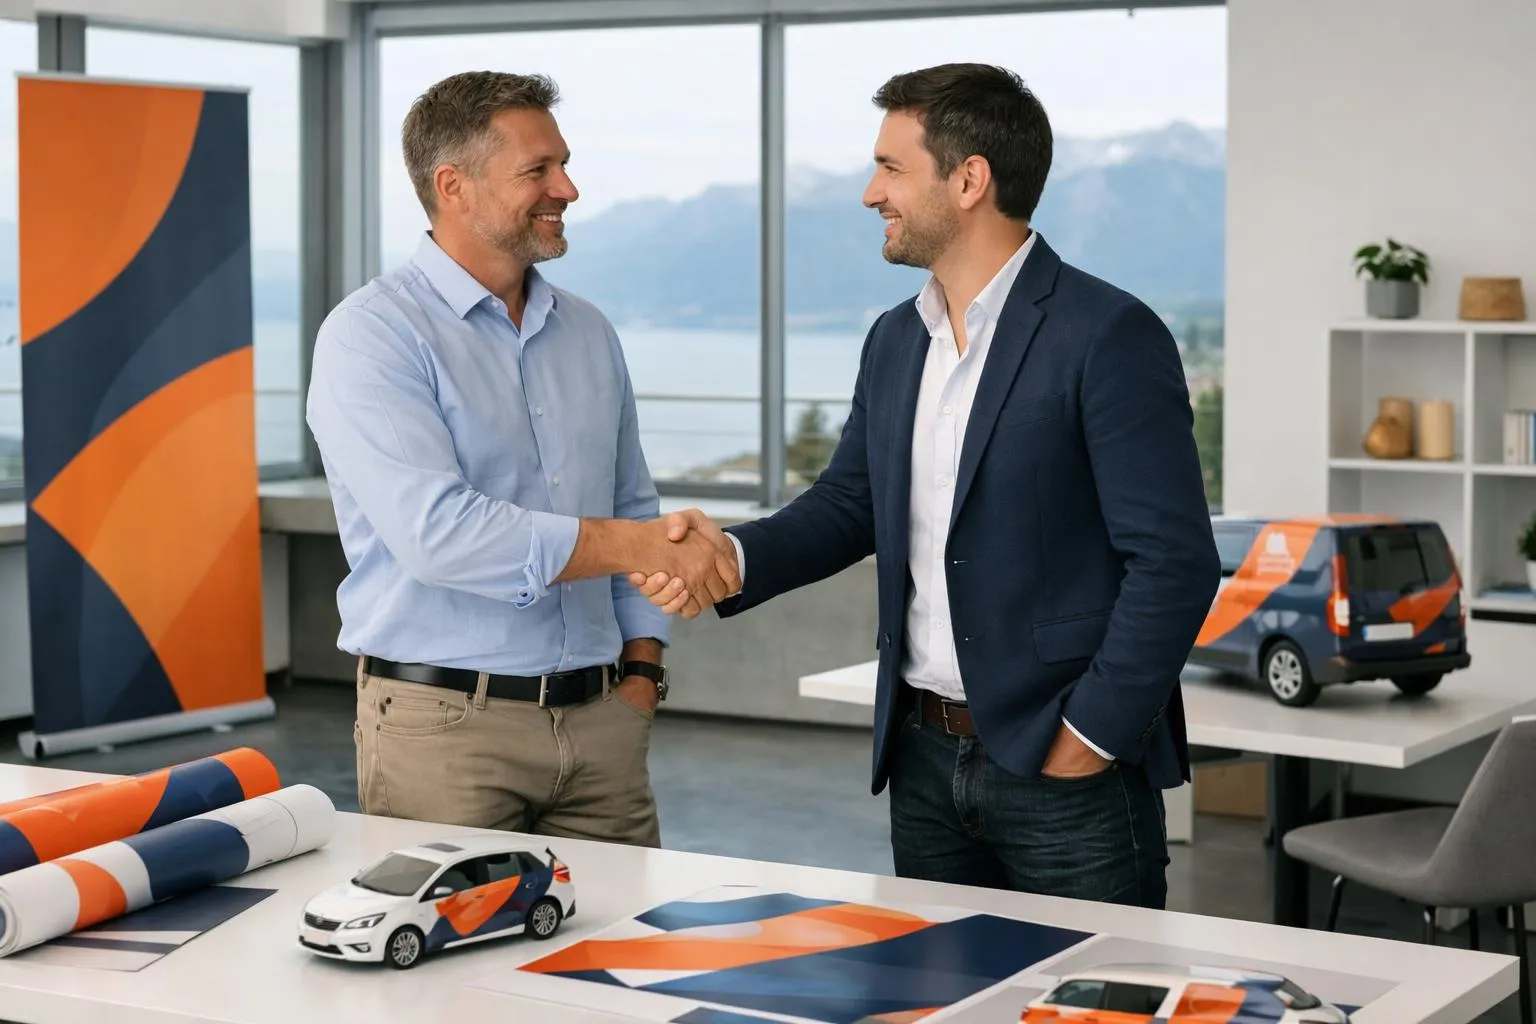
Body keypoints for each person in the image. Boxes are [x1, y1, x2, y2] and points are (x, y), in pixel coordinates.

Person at [633, 63, 1220, 905]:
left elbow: (1173, 561)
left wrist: (1090, 734)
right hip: (923, 762)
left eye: (891, 167)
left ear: (970, 179)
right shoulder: (894, 339)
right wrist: (730, 552)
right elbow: (851, 503)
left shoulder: (1108, 334)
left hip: (1067, 772)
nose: (873, 192)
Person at [306, 70, 737, 848]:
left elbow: (633, 502)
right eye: (538, 170)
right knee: (454, 964)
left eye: (563, 163)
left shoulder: (589, 331)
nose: (566, 188)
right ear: (454, 187)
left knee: (621, 958)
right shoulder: (371, 335)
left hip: (605, 725)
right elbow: (438, 535)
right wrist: (635, 546)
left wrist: (642, 669)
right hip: (447, 735)